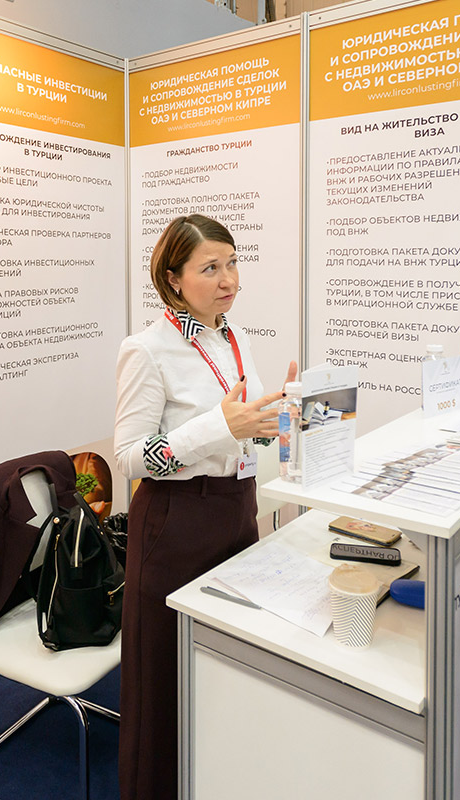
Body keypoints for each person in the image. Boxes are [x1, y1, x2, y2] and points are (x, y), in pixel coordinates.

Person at [113, 214, 295, 800]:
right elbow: (131, 458)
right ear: (174, 278)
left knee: (222, 666)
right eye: (210, 268)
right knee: (162, 678)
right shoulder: (147, 349)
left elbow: (246, 429)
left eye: (233, 262)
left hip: (234, 512)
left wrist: (281, 415)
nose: (228, 279)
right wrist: (217, 427)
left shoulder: (234, 338)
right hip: (175, 523)